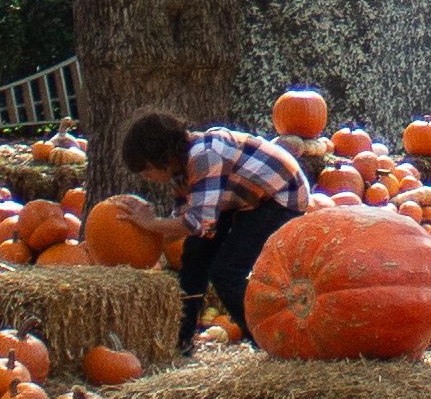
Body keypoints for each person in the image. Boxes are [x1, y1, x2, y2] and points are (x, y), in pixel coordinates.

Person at [102, 111, 315, 352]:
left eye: (146, 171)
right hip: (240, 197)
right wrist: (141, 236)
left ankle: (268, 342)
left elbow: (199, 223)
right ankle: (181, 339)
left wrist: (150, 223)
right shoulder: (180, 168)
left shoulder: (203, 157)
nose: (147, 178)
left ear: (159, 158)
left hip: (280, 196)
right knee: (195, 254)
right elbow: (186, 222)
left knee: (226, 272)